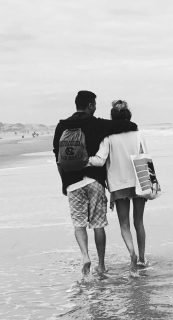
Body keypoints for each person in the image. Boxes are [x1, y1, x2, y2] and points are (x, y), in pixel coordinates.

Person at [53, 91, 137, 276]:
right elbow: (126, 125)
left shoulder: (61, 126)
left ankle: (85, 256)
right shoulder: (97, 124)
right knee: (98, 225)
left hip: (72, 183)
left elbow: (58, 158)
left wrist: (63, 183)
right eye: (94, 104)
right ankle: (101, 264)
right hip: (95, 181)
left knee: (79, 224)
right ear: (90, 105)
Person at [87, 100, 148, 271]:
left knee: (124, 225)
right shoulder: (139, 135)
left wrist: (84, 159)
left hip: (118, 185)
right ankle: (142, 258)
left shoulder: (109, 138)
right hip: (139, 182)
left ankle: (132, 253)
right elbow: (145, 158)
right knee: (139, 222)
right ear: (129, 116)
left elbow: (99, 161)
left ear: (112, 118)